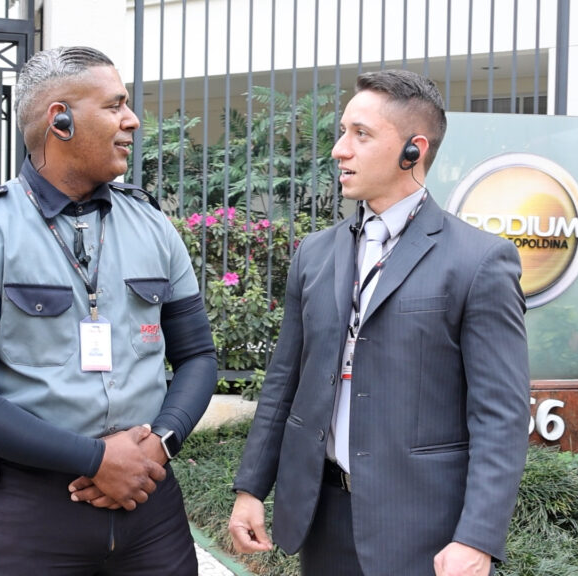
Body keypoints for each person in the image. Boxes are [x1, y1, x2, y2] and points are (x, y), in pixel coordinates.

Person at [0, 45, 217, 576]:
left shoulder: (151, 224)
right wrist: (97, 460)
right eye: (114, 105)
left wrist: (159, 446)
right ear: (60, 120)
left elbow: (198, 356)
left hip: (150, 506)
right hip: (31, 516)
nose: (132, 120)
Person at [227, 69, 530, 576]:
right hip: (322, 519)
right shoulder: (314, 254)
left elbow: (501, 415)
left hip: (424, 531)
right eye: (342, 131)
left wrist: (476, 538)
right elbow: (284, 382)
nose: (339, 150)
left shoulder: (478, 261)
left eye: (361, 134)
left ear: (413, 150)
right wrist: (251, 488)